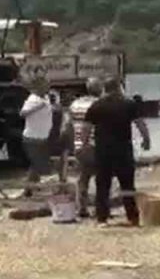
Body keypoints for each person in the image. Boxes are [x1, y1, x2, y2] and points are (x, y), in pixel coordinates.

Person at [85, 77, 150, 226]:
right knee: (127, 183)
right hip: (123, 149)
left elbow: (86, 127)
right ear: (118, 88)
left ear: (105, 89)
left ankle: (102, 218)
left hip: (103, 149)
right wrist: (146, 140)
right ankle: (132, 217)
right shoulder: (128, 104)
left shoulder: (96, 105)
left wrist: (84, 143)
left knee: (103, 184)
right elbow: (140, 123)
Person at [72, 77, 104, 218]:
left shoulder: (75, 104)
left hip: (79, 146)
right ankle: (100, 208)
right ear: (99, 89)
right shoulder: (100, 104)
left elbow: (67, 125)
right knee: (101, 177)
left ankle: (81, 208)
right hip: (95, 144)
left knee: (83, 177)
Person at [19, 78, 54, 190]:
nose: (48, 87)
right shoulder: (33, 99)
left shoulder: (46, 98)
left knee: (35, 165)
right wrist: (37, 107)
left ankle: (31, 188)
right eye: (45, 85)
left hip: (43, 137)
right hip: (32, 137)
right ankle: (31, 187)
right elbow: (22, 113)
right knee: (39, 164)